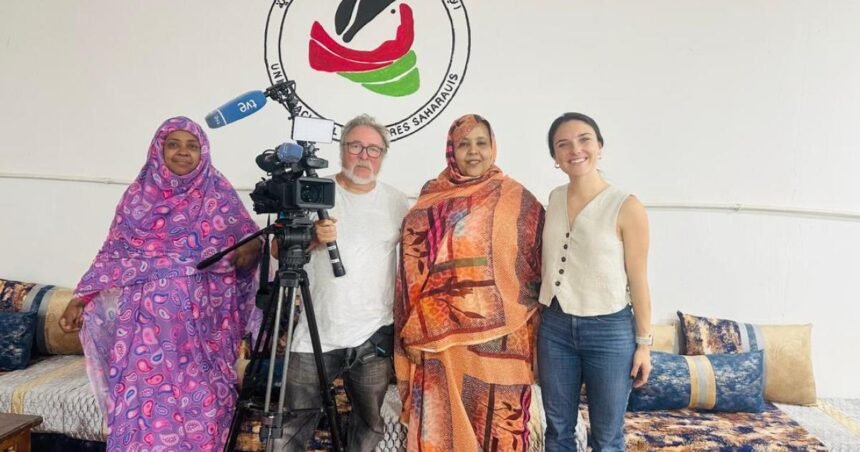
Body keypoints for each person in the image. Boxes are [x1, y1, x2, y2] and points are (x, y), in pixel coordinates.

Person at [58, 116, 262, 451]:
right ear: (158, 149)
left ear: (203, 152)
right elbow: (114, 255)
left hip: (201, 337)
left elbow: (249, 248)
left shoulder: (219, 196)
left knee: (205, 408)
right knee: (141, 410)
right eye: (174, 144)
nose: (183, 152)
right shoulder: (138, 198)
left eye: (192, 145)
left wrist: (251, 247)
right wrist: (80, 298)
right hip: (143, 335)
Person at [394, 114, 545, 451]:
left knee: (503, 432)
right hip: (440, 341)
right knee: (443, 431)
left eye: (481, 143)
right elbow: (411, 271)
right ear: (451, 150)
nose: (473, 152)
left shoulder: (519, 199)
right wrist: (415, 330)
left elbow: (539, 267)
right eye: (464, 144)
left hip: (507, 339)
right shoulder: (429, 201)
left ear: (494, 147)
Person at [275, 114, 409, 451]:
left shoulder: (396, 201)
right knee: (293, 424)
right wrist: (312, 238)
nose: (365, 156)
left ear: (383, 156)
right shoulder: (313, 192)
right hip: (316, 332)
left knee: (368, 426)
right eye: (356, 146)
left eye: (374, 150)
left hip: (373, 334)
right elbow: (278, 248)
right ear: (342, 150)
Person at [538, 112, 653, 451]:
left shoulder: (626, 205)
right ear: (556, 158)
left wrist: (644, 344)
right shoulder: (554, 199)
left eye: (584, 139)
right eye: (563, 144)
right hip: (555, 328)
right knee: (558, 431)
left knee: (606, 436)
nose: (575, 149)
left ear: (600, 146)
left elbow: (639, 279)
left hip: (609, 330)